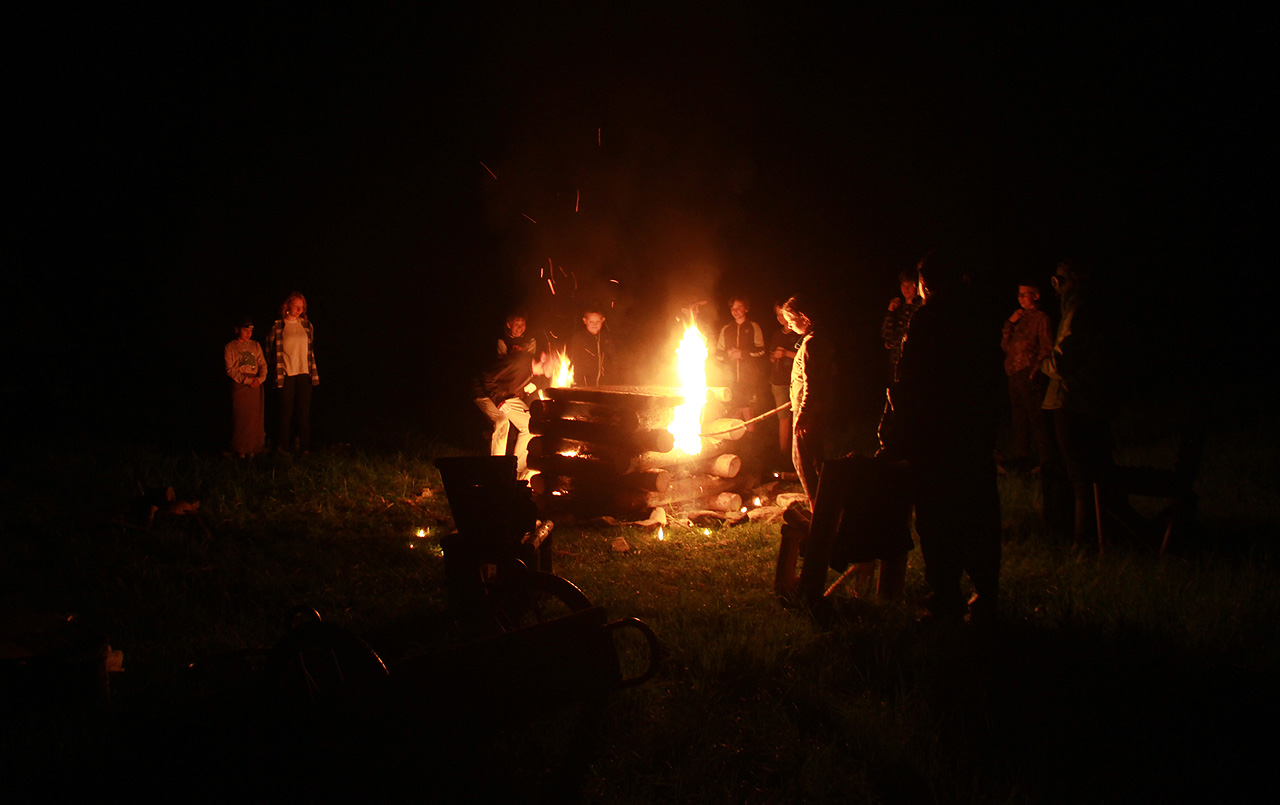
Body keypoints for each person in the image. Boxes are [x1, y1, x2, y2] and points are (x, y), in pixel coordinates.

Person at [893, 252, 1002, 625]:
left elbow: (910, 378)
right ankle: (985, 591)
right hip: (972, 432)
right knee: (978, 512)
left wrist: (902, 420)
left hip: (938, 434)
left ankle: (947, 592)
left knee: (939, 515)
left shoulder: (929, 318)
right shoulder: (978, 315)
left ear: (928, 284)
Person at [1041, 259, 1114, 548]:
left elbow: (1063, 359)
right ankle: (1083, 535)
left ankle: (1083, 543)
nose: (1055, 286)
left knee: (1079, 475)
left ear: (1070, 280)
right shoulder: (1088, 306)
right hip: (1084, 398)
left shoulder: (1078, 308)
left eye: (1059, 279)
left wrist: (1043, 365)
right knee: (1081, 473)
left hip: (1072, 399)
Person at [782, 295, 832, 502]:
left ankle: (818, 509)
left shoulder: (812, 343)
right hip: (810, 409)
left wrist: (803, 412)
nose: (789, 325)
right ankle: (825, 506)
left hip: (809, 413)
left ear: (804, 317)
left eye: (791, 321)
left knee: (804, 462)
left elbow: (812, 382)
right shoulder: (815, 339)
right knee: (813, 461)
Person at [1000, 281, 1054, 472]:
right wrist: (1009, 323)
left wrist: (1036, 371)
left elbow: (1046, 347)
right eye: (1019, 295)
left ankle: (1046, 460)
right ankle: (1023, 456)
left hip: (1028, 373)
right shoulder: (1019, 318)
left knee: (1037, 418)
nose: (1021, 298)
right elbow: (1006, 347)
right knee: (1019, 418)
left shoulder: (1041, 318)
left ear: (1036, 296)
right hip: (1014, 373)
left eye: (1025, 294)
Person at [472, 350, 551, 480]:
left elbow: (514, 386)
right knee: (502, 422)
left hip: (505, 396)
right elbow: (487, 376)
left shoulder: (536, 375)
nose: (557, 367)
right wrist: (497, 400)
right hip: (485, 393)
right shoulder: (518, 363)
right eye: (556, 362)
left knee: (530, 424)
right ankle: (496, 472)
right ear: (543, 357)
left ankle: (516, 473)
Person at [267, 291, 319, 454]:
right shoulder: (278, 326)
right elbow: (269, 350)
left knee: (303, 413)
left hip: (304, 372)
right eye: (296, 306)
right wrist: (275, 369)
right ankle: (283, 446)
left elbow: (310, 348)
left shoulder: (306, 325)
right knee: (285, 412)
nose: (299, 309)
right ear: (287, 306)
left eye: (301, 307)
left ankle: (304, 447)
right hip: (286, 373)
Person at [716, 297, 766, 424]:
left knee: (747, 409)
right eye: (733, 308)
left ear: (746, 309)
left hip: (748, 376)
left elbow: (761, 350)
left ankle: (750, 438)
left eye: (739, 308)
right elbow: (718, 353)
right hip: (731, 377)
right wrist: (728, 354)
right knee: (735, 409)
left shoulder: (753, 326)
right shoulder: (726, 329)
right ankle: (735, 439)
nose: (735, 311)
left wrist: (742, 353)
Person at [224, 316, 267, 457]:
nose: (249, 333)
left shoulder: (255, 345)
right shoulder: (230, 347)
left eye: (251, 330)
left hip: (255, 386)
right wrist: (246, 380)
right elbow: (230, 369)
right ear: (237, 330)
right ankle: (240, 449)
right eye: (245, 330)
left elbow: (262, 364)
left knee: (254, 417)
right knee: (240, 417)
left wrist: (260, 379)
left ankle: (253, 448)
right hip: (240, 386)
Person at [768, 300, 803, 460]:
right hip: (778, 382)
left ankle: (798, 453)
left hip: (796, 381)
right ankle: (784, 454)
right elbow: (771, 357)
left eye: (782, 314)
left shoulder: (798, 333)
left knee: (798, 416)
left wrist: (787, 353)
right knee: (783, 418)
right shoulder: (777, 334)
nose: (780, 318)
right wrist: (774, 357)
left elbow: (804, 356)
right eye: (777, 315)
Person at [881, 268, 925, 383]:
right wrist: (890, 311)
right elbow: (887, 335)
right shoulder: (898, 308)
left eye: (909, 285)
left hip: (912, 362)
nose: (906, 289)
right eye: (903, 285)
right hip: (895, 360)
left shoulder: (920, 309)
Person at [568, 309, 611, 387]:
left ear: (603, 320)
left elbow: (612, 361)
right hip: (584, 385)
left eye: (597, 321)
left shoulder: (607, 339)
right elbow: (574, 360)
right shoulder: (579, 338)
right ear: (585, 321)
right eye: (591, 321)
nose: (594, 324)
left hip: (604, 385)